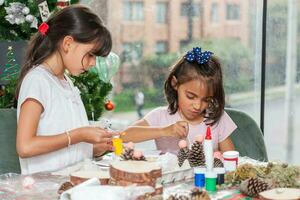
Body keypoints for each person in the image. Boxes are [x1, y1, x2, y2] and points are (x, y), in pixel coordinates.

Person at [16, 5, 114, 174]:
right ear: (68, 43)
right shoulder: (37, 81)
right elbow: (25, 147)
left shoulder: (66, 82)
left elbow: (64, 143)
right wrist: (78, 135)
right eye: (90, 55)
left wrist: (94, 148)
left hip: (69, 186)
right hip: (45, 191)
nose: (92, 63)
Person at [122, 47, 236, 154]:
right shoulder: (161, 116)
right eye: (191, 96)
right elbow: (124, 135)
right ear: (175, 83)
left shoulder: (218, 119)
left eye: (206, 100)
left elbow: (231, 160)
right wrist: (165, 131)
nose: (197, 106)